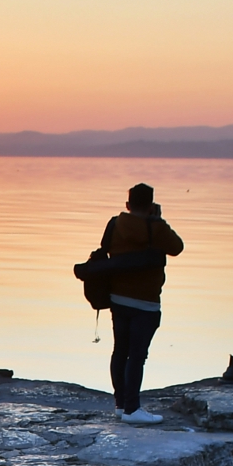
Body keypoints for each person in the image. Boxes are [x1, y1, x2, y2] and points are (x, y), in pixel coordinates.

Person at [101, 182, 185, 424]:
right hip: (145, 302)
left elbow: (106, 249)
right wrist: (158, 220)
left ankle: (120, 405)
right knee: (137, 355)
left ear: (127, 204)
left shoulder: (115, 224)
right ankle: (132, 409)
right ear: (150, 206)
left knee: (120, 350)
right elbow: (177, 247)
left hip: (117, 297)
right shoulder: (155, 227)